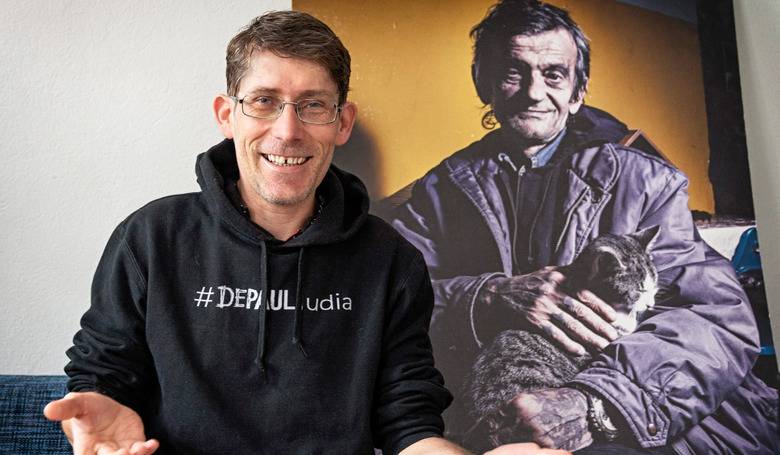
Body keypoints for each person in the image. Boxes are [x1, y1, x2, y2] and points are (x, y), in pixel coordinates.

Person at [43, 10, 479, 455]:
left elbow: (409, 424)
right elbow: (102, 377)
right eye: (264, 101)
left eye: (313, 105)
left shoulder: (392, 260)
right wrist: (96, 412)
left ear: (343, 122)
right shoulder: (151, 239)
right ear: (226, 115)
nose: (288, 131)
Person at [388, 1, 778, 454]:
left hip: (636, 412)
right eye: (514, 72)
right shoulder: (440, 189)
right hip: (498, 404)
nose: (534, 92)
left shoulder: (646, 182)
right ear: (484, 82)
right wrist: (487, 297)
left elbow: (715, 319)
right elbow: (389, 298)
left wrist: (596, 404)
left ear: (578, 92)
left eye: (554, 74)